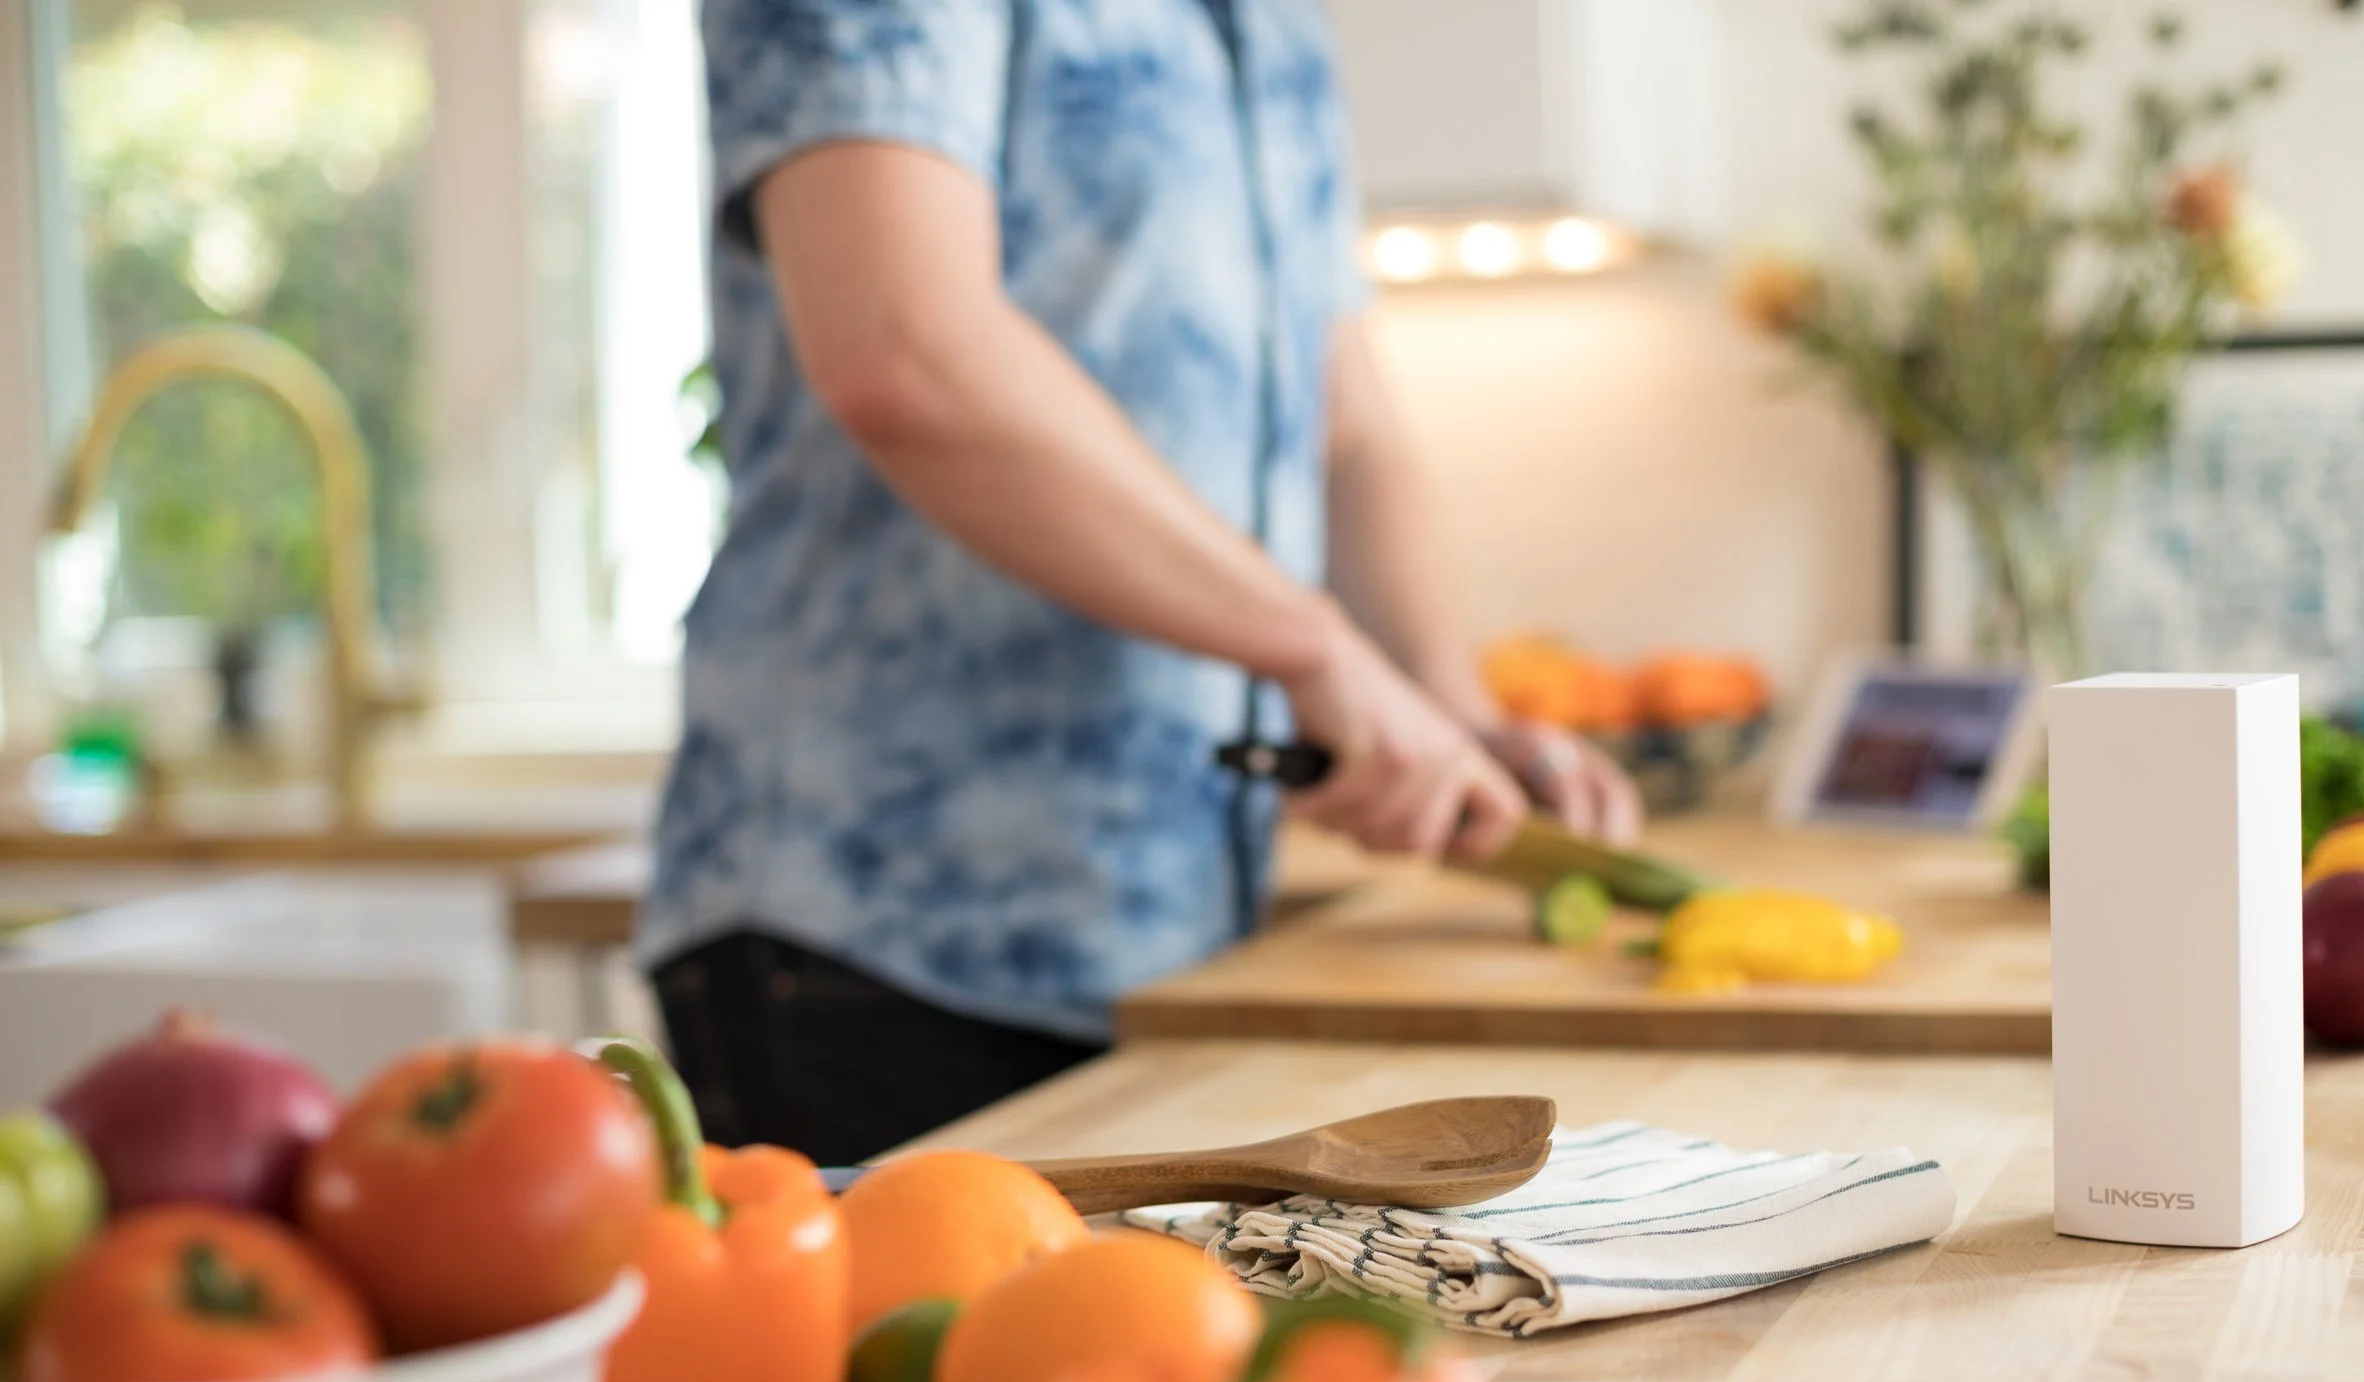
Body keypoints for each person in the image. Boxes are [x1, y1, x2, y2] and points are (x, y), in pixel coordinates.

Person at [642, 0, 1642, 1165]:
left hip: (1173, 952)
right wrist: (1313, 648)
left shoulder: (1273, 27)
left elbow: (1348, 421)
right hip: (868, 942)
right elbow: (904, 349)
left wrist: (1449, 713)